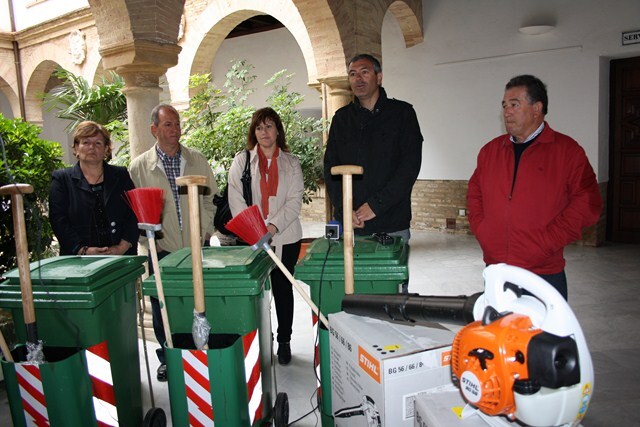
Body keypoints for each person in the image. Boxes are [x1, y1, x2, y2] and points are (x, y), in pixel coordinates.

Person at [467, 74, 602, 300]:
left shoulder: (567, 152)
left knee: (543, 335)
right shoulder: (490, 151)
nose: (507, 111)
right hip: (497, 270)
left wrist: (547, 242)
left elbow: (587, 204)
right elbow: (474, 194)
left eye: (514, 105)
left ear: (536, 108)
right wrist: (484, 230)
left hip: (543, 273)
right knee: (500, 333)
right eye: (504, 105)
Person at [129, 104, 217, 381]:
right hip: (162, 248)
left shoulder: (197, 160)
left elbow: (210, 198)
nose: (175, 129)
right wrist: (149, 241)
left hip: (196, 245)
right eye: (168, 125)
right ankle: (168, 356)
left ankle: (201, 347)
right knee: (161, 304)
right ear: (154, 129)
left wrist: (204, 232)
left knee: (200, 297)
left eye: (177, 124)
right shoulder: (139, 167)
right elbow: (136, 209)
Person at [323, 53, 423, 292]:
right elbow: (330, 168)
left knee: (391, 294)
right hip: (353, 225)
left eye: (364, 71)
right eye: (352, 73)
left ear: (379, 77)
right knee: (354, 292)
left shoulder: (402, 114)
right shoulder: (342, 119)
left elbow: (409, 167)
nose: (358, 78)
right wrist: (345, 209)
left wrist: (376, 205)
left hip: (391, 223)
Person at [228, 107, 303, 365]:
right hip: (252, 238)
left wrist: (271, 228)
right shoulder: (242, 161)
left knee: (283, 291)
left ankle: (284, 340)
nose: (264, 132)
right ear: (253, 132)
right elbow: (235, 197)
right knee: (256, 292)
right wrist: (254, 229)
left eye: (269, 126)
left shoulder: (291, 163)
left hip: (285, 236)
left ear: (278, 130)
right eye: (259, 127)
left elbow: (294, 202)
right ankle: (260, 340)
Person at [49, 121, 138, 257]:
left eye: (98, 143)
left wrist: (122, 247)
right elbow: (58, 220)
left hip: (120, 258)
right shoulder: (62, 180)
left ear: (107, 149)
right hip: (79, 262)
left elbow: (134, 212)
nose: (92, 147)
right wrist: (82, 250)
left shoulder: (120, 175)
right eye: (85, 142)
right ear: (76, 148)